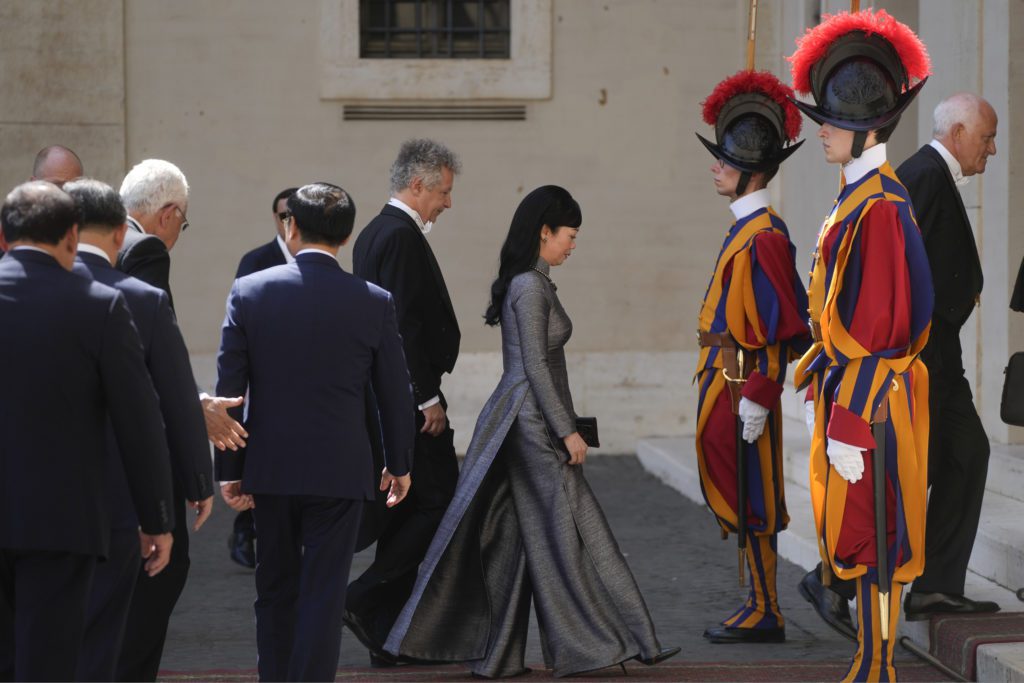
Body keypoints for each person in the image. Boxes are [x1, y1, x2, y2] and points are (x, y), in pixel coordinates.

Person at [384, 185, 679, 678]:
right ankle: (611, 643)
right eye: (570, 234)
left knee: (521, 540)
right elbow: (536, 369)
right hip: (531, 422)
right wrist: (567, 432)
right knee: (573, 530)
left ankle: (499, 656)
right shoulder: (530, 286)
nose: (574, 244)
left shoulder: (530, 283)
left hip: (521, 418)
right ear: (544, 232)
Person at [215, 182, 414, 681]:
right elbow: (395, 392)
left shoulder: (250, 291)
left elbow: (228, 394)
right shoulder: (373, 300)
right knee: (324, 595)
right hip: (341, 468)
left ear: (290, 226)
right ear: (346, 237)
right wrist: (399, 463)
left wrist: (230, 470)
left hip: (271, 466)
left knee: (274, 589)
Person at [788, 9, 934, 681]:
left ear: (868, 128)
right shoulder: (856, 197)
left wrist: (851, 417)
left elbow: (883, 324)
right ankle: (867, 661)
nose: (822, 131)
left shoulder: (879, 205)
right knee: (857, 535)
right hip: (851, 390)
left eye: (834, 122)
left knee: (879, 538)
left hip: (871, 403)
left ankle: (878, 667)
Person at [0, 181, 175, 681]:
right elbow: (138, 419)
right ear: (72, 237)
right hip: (63, 520)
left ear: (5, 236)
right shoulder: (100, 305)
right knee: (49, 659)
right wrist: (156, 519)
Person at [63, 178, 215, 680]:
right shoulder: (143, 298)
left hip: (30, 497)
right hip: (119, 495)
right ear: (115, 236)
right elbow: (167, 403)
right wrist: (194, 486)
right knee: (120, 625)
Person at [693, 70, 810, 644]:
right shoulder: (749, 228)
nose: (715, 166)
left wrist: (760, 398)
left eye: (724, 159)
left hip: (744, 382)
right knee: (739, 491)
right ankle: (757, 601)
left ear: (752, 171)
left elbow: (778, 330)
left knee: (755, 494)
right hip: (725, 378)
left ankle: (768, 609)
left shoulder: (762, 234)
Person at [115, 158, 238, 681]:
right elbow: (151, 356)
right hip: (143, 443)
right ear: (168, 213)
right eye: (182, 224)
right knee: (163, 569)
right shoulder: (145, 252)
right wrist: (197, 429)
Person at [347, 138, 462, 663]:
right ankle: (363, 598)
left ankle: (386, 635)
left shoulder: (382, 232)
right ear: (417, 185)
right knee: (438, 502)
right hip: (408, 403)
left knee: (403, 511)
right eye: (443, 191)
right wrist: (425, 398)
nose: (448, 202)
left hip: (394, 399)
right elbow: (399, 327)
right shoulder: (396, 235)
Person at [894, 94, 1000, 620]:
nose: (993, 149)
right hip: (923, 356)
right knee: (915, 469)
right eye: (987, 137)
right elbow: (897, 265)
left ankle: (936, 584)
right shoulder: (925, 175)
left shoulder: (933, 172)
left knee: (967, 453)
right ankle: (836, 579)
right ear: (958, 133)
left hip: (942, 355)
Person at [227, 186, 299, 569]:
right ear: (275, 218)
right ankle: (245, 527)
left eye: (295, 214)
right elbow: (240, 325)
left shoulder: (317, 258)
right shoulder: (257, 260)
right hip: (263, 379)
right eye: (283, 214)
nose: (289, 221)